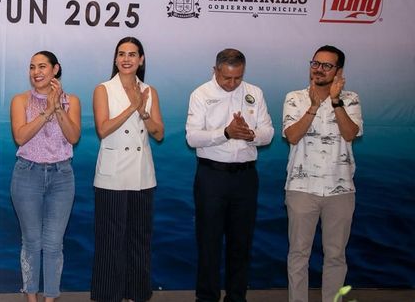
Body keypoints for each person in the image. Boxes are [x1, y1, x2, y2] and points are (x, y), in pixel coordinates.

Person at [185, 48, 274, 302]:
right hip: (212, 176)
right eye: (226, 78)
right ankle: (206, 297)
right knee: (209, 241)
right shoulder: (201, 94)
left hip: (245, 178)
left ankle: (237, 297)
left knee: (241, 242)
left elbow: (268, 131)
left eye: (237, 78)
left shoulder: (254, 93)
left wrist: (252, 134)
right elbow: (192, 137)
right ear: (215, 71)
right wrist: (225, 132)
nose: (232, 84)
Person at [282, 45, 362, 302]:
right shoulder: (294, 97)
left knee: (336, 255)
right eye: (315, 63)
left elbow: (350, 133)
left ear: (339, 71)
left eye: (327, 65)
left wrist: (335, 101)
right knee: (298, 254)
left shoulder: (351, 99)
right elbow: (292, 136)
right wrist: (313, 107)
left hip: (341, 190)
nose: (318, 69)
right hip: (301, 188)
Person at [90, 37, 164, 302]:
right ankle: (108, 295)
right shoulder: (104, 89)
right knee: (111, 241)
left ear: (141, 59)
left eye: (133, 54)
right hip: (112, 175)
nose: (126, 59)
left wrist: (143, 111)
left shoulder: (149, 91)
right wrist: (133, 106)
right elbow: (103, 128)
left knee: (139, 240)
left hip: (142, 175)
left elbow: (158, 133)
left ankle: (136, 294)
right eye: (121, 54)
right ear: (115, 59)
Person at [10, 51, 81, 302]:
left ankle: (50, 299)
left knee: (53, 244)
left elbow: (73, 137)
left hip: (61, 177)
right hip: (27, 174)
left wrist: (57, 108)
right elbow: (20, 136)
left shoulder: (72, 100)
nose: (36, 72)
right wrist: (45, 111)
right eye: (32, 67)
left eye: (42, 67)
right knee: (31, 241)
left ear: (55, 69)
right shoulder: (20, 100)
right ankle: (31, 298)